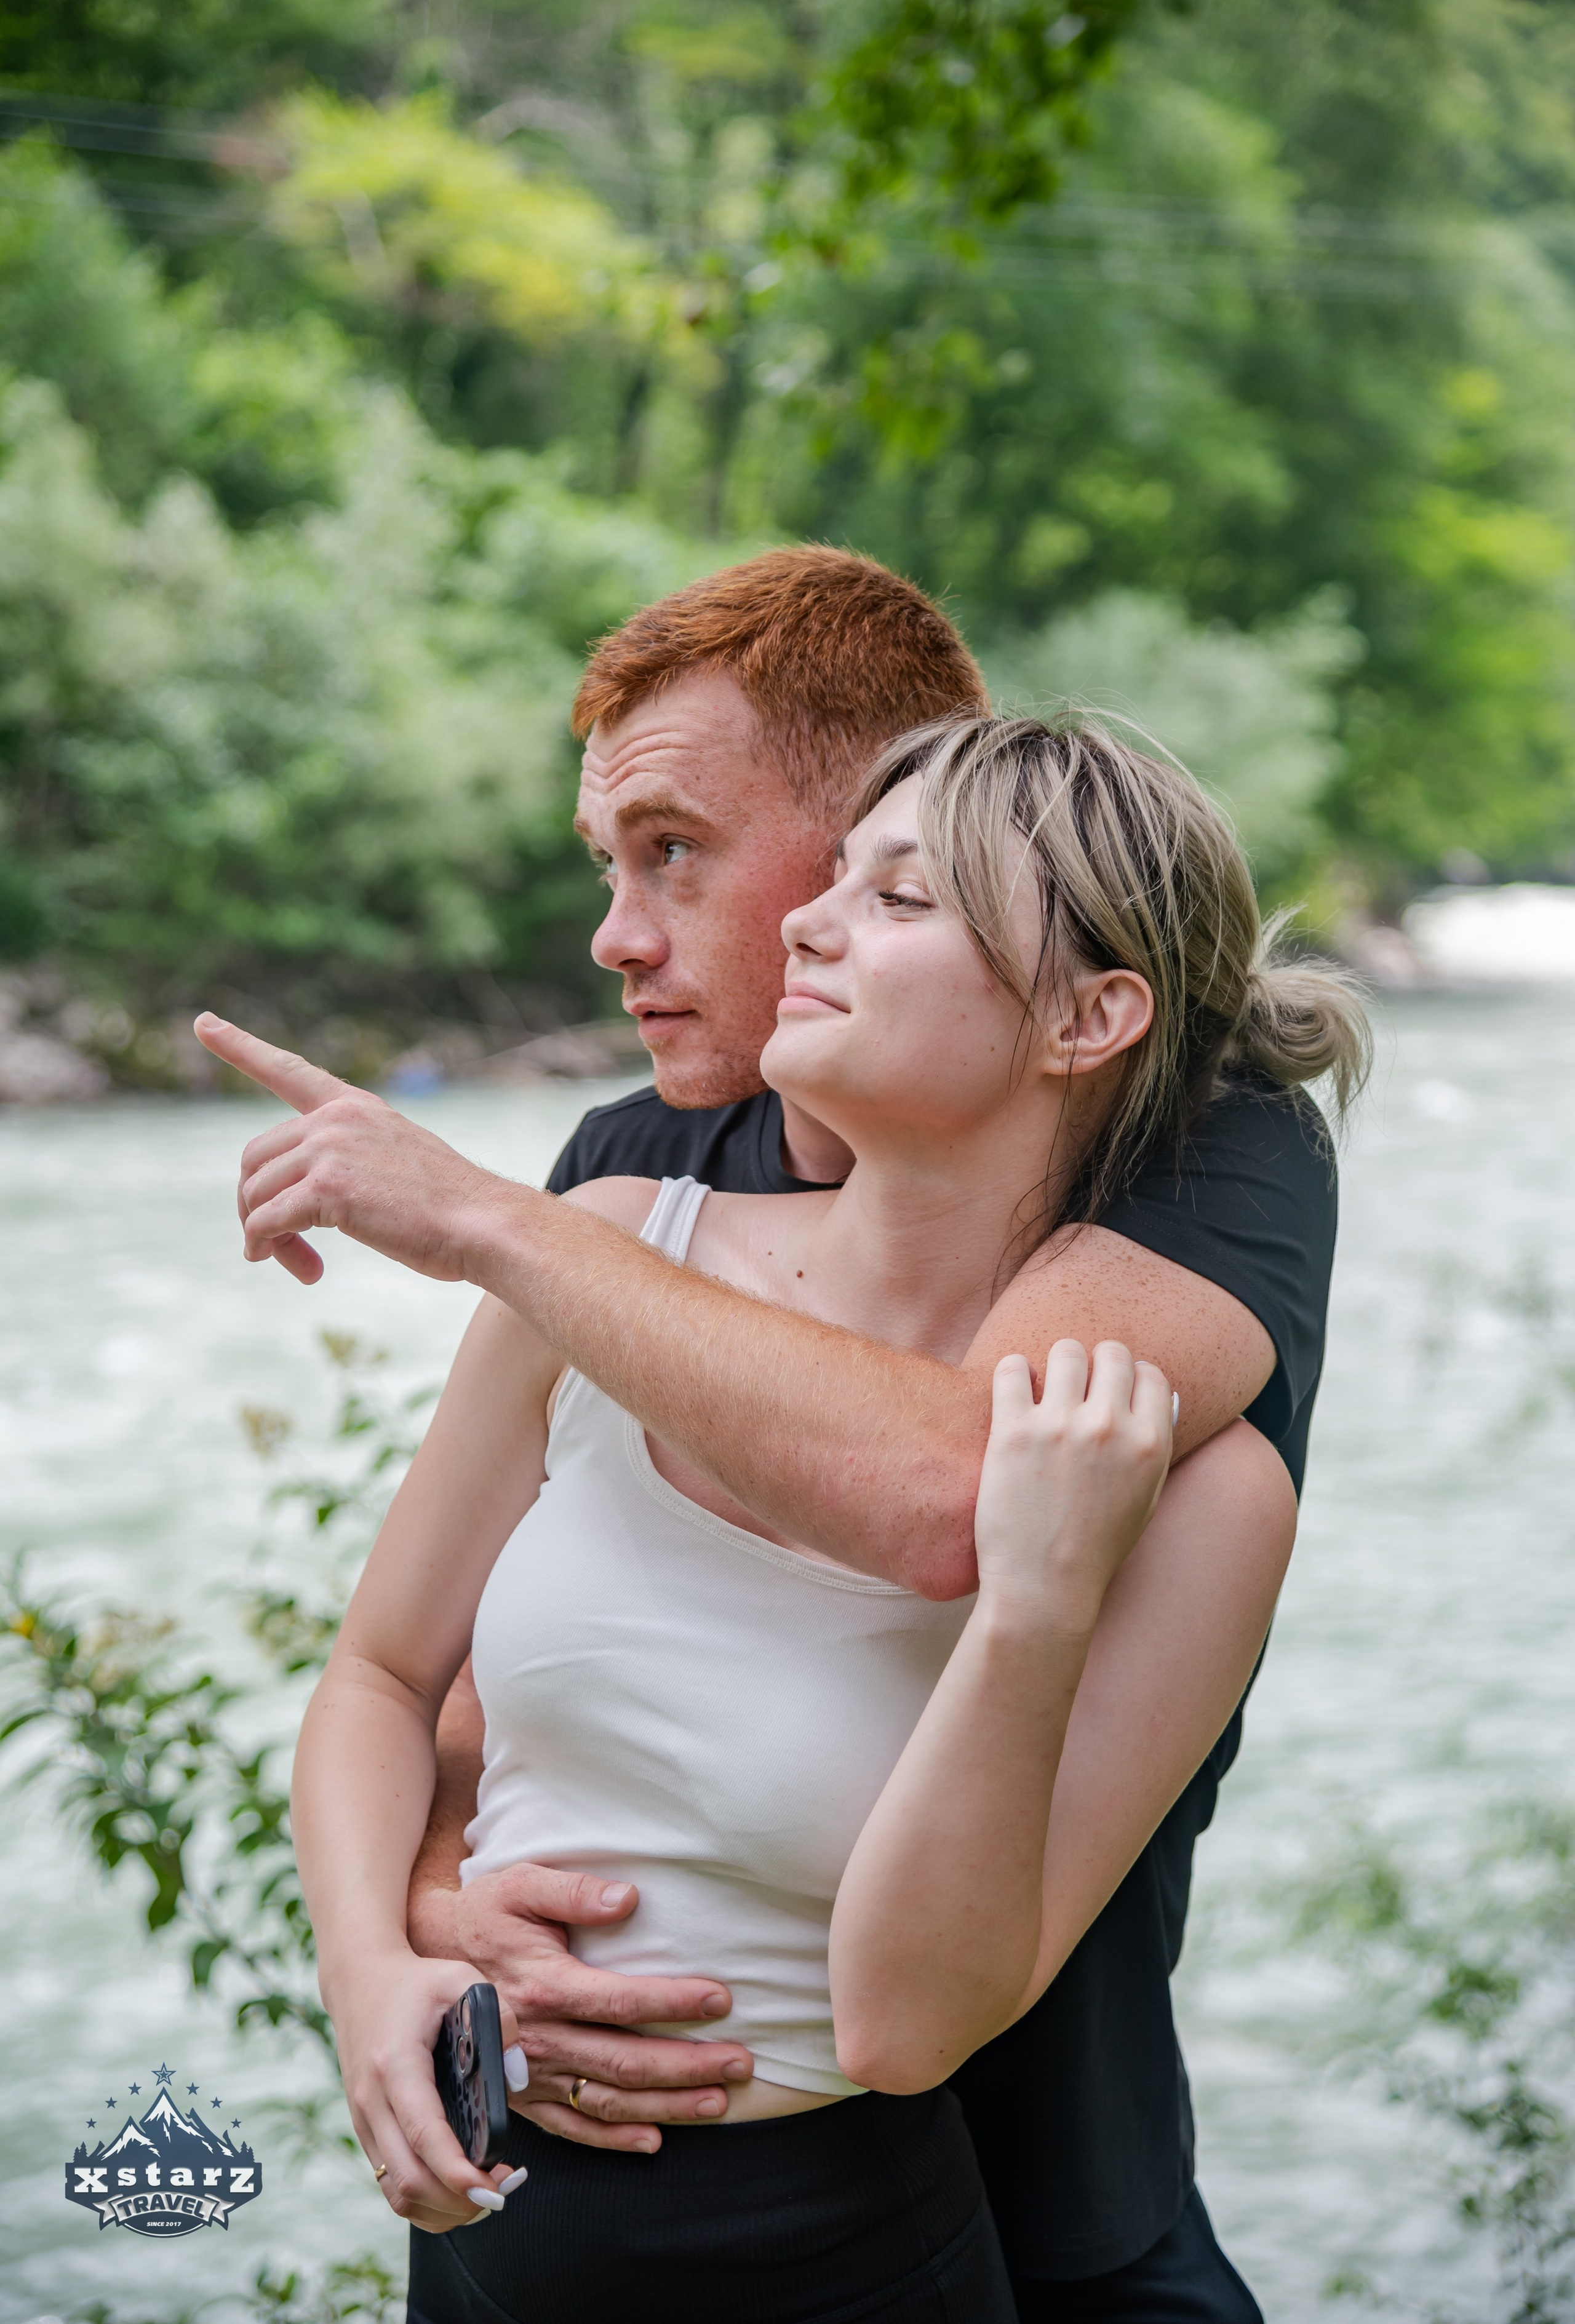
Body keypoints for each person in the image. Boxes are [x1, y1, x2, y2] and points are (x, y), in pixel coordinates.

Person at [197, 547, 1364, 2318]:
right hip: (551, 2196)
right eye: (608, 864)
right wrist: (423, 1919)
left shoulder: (1203, 1143)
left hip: (1042, 2203)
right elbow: (450, 1677)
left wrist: (485, 1217)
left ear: (871, 846)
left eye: (675, 850)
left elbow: (953, 1492)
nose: (614, 932)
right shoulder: (627, 1181)